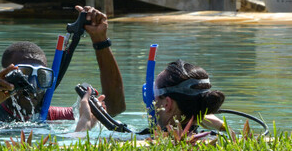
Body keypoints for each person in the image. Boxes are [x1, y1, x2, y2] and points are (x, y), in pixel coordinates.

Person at [0, 5, 126, 125]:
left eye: (42, 77)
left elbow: (114, 109)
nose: (32, 86)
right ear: (4, 76)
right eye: (23, 76)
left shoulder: (52, 116)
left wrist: (100, 40)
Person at [75, 58, 225, 133]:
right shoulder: (213, 137)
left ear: (167, 104)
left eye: (154, 92)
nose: (150, 98)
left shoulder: (141, 142)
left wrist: (85, 122)